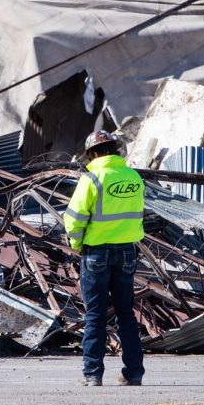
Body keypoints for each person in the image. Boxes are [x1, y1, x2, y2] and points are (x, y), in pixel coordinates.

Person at [62, 130, 146, 387]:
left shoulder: (92, 178)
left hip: (96, 253)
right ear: (115, 149)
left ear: (93, 153)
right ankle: (134, 373)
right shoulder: (133, 177)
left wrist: (76, 244)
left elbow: (74, 219)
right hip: (127, 252)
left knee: (96, 315)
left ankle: (93, 373)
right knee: (126, 315)